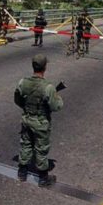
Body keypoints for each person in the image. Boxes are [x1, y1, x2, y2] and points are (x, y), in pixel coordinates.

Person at [14, 54, 63, 187]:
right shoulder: (48, 87)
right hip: (41, 123)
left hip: (27, 118)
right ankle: (42, 178)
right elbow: (56, 106)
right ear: (45, 67)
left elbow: (17, 100)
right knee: (41, 149)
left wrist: (27, 107)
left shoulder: (23, 82)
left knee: (26, 144)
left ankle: (22, 173)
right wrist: (57, 97)